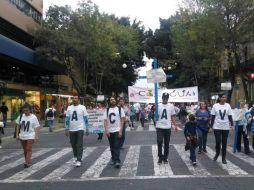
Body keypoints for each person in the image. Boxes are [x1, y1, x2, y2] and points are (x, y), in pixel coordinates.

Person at [65, 96, 89, 167]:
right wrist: (66, 128)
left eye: (76, 98)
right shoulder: (69, 108)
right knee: (73, 144)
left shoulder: (82, 107)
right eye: (73, 99)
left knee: (79, 144)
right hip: (72, 128)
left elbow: (85, 118)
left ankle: (79, 159)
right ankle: (75, 156)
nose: (74, 100)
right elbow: (67, 119)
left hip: (80, 128)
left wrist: (87, 128)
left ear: (78, 100)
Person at [211, 93, 234, 164]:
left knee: (224, 143)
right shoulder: (215, 106)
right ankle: (217, 153)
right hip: (217, 126)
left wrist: (232, 125)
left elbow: (230, 116)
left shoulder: (228, 105)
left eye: (225, 97)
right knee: (218, 142)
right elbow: (213, 117)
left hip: (226, 126)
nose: (224, 98)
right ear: (220, 98)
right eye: (223, 97)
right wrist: (211, 126)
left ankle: (223, 158)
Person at [15, 103, 40, 168]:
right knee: (25, 149)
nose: (25, 112)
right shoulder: (20, 116)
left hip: (30, 135)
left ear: (30, 110)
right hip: (22, 135)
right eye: (24, 110)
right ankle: (27, 161)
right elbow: (18, 125)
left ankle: (27, 162)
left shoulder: (33, 117)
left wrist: (36, 136)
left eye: (27, 110)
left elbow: (36, 127)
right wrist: (17, 135)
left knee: (28, 148)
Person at [156, 92, 178, 164]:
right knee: (159, 141)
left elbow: (172, 116)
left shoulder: (171, 106)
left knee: (166, 143)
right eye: (164, 98)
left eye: (166, 98)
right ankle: (160, 157)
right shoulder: (158, 105)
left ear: (168, 98)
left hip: (167, 127)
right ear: (162, 98)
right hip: (159, 126)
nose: (165, 99)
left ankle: (165, 158)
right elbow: (155, 116)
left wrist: (175, 126)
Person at [103, 97, 125, 168]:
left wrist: (121, 130)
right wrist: (106, 130)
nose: (112, 100)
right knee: (111, 145)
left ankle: (117, 161)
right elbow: (105, 121)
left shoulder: (119, 109)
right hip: (110, 130)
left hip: (117, 130)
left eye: (113, 99)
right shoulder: (107, 110)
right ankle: (113, 158)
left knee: (116, 145)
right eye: (111, 100)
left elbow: (122, 120)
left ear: (115, 101)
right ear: (109, 101)